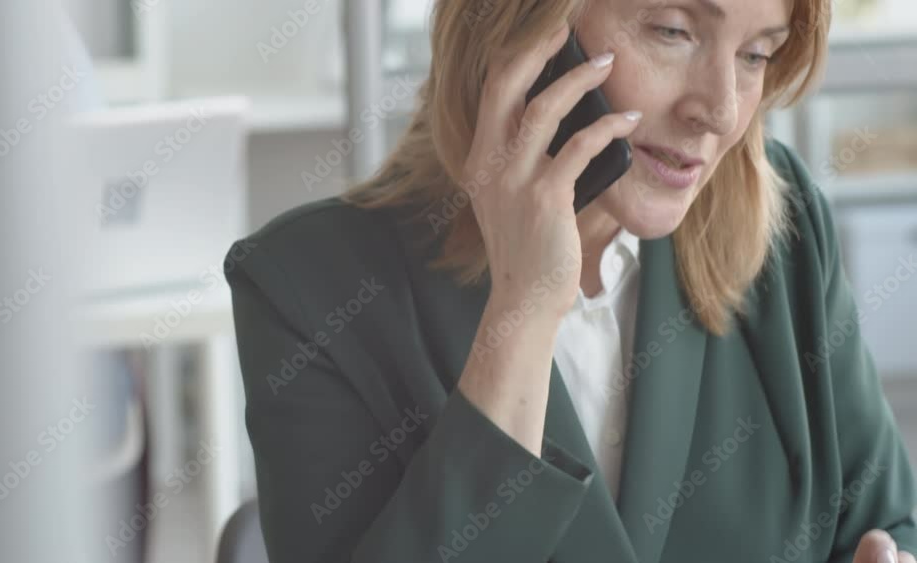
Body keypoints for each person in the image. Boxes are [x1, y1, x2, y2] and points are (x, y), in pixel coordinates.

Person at [224, 0, 917, 561]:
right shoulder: (307, 288)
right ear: (522, 25)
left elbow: (890, 521)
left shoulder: (783, 227)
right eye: (672, 31)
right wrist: (521, 314)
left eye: (755, 53)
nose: (722, 109)